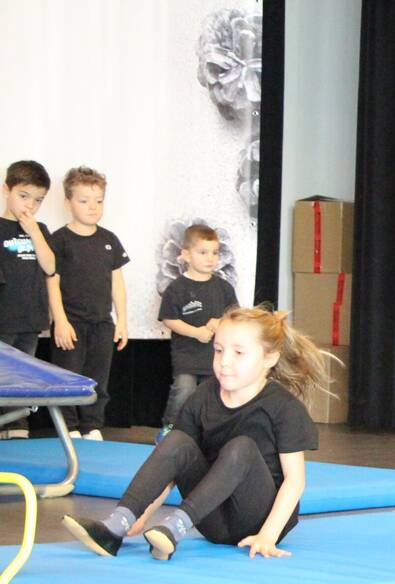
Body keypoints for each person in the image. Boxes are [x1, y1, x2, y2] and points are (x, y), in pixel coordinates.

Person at [63, 305, 325, 561]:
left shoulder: (284, 406)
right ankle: (116, 526)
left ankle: (175, 526)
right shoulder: (203, 396)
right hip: (213, 520)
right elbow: (172, 463)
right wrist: (142, 513)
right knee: (177, 440)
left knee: (242, 447)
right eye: (219, 350)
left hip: (259, 518)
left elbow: (294, 481)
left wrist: (268, 535)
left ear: (270, 358)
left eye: (238, 353)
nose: (224, 362)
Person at [47, 166, 129, 439]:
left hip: (102, 323)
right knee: (67, 376)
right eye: (84, 200)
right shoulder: (59, 240)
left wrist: (122, 321)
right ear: (68, 202)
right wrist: (60, 321)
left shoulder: (109, 240)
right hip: (71, 323)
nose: (93, 207)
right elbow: (52, 283)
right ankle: (69, 427)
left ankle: (92, 425)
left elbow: (117, 283)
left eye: (99, 201)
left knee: (98, 378)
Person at [157, 224, 239, 442]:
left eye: (214, 253)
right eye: (203, 252)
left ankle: (207, 433)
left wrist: (220, 321)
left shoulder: (224, 288)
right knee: (183, 390)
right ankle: (170, 427)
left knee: (213, 395)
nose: (210, 258)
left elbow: (234, 315)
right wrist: (195, 332)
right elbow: (169, 319)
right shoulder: (177, 288)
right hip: (187, 355)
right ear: (186, 255)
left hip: (215, 356)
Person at [0, 161, 56, 440]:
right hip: (4, 318)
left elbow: (50, 267)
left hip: (30, 319)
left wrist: (34, 232)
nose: (30, 205)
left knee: (22, 375)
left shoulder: (40, 230)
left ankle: (17, 426)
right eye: (23, 196)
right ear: (6, 189)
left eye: (38, 200)